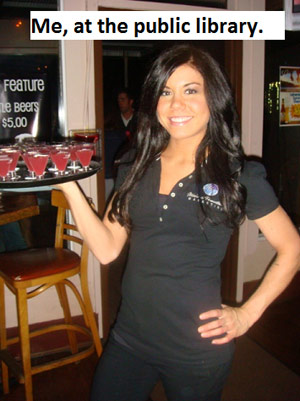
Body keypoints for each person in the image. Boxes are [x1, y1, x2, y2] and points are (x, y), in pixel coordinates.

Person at [57, 44, 300, 401]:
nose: (175, 105)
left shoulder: (240, 174)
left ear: (213, 99)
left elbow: (291, 248)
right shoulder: (134, 164)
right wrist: (68, 185)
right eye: (166, 92)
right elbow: (108, 248)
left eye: (190, 90)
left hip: (197, 349)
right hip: (130, 337)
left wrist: (247, 314)